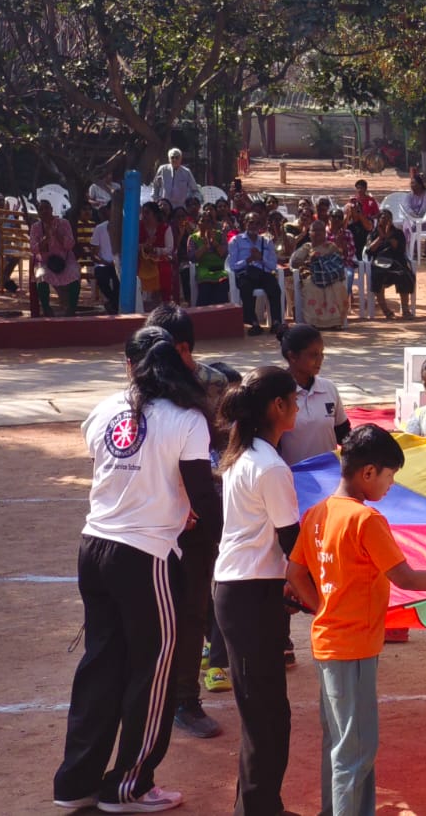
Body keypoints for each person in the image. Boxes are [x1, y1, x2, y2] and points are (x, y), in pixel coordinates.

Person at [53, 326, 221, 814]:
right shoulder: (187, 418)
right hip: (145, 555)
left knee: (100, 664)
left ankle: (76, 782)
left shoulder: (103, 410)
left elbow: (111, 471)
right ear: (180, 365)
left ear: (132, 365)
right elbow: (201, 494)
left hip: (95, 546)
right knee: (154, 670)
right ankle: (129, 784)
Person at [286, 426, 426, 816]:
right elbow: (407, 578)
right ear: (368, 472)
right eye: (390, 476)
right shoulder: (366, 520)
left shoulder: (317, 513)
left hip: (332, 640)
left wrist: (321, 606)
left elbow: (295, 572)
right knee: (354, 750)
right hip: (352, 647)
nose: (391, 485)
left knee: (341, 744)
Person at [213, 366, 301, 816]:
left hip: (247, 589)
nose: (298, 407)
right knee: (264, 714)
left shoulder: (245, 455)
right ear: (277, 407)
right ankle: (258, 809)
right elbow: (293, 543)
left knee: (267, 712)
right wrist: (317, 596)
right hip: (249, 593)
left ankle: (261, 805)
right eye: (293, 399)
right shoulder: (268, 466)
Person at [144, 306, 230, 739]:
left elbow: (230, 450)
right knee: (149, 612)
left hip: (197, 514)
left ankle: (185, 699)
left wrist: (206, 501)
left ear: (180, 349)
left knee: (193, 610)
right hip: (154, 518)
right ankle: (153, 697)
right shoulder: (143, 389)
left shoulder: (218, 386)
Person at [275, 324, 351, 467]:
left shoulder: (329, 388)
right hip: (293, 478)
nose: (320, 359)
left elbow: (344, 434)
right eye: (313, 355)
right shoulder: (276, 394)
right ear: (292, 356)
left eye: (322, 353)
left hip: (329, 474)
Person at [229, 211, 284, 336]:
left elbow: (272, 265)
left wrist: (260, 258)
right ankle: (253, 323)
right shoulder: (236, 241)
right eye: (251, 222)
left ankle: (276, 322)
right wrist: (248, 260)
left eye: (257, 223)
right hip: (245, 272)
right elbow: (232, 266)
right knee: (245, 287)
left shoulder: (266, 241)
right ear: (245, 223)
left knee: (274, 287)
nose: (254, 226)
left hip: (262, 272)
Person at [290, 221, 350, 329]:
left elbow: (338, 262)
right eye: (314, 230)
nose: (317, 233)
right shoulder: (306, 247)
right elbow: (294, 263)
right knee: (312, 288)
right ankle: (314, 323)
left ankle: (335, 322)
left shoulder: (331, 247)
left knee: (337, 287)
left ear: (324, 233)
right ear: (309, 233)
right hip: (311, 274)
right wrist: (309, 260)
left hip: (330, 276)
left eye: (320, 231)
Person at [31, 198, 82, 317]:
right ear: (38, 213)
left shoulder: (64, 223)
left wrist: (56, 234)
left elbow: (70, 245)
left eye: (46, 209)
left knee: (74, 275)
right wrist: (45, 239)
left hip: (65, 260)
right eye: (41, 210)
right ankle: (47, 309)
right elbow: (33, 248)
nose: (44, 212)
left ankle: (71, 309)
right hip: (45, 261)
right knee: (41, 276)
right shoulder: (36, 227)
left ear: (52, 210)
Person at [364, 212, 414, 320]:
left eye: (388, 218)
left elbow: (400, 248)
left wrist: (388, 237)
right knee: (377, 276)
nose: (385, 220)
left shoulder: (398, 233)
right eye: (383, 218)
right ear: (379, 220)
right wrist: (380, 238)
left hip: (396, 261)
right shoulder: (373, 234)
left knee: (403, 274)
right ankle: (386, 310)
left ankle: (405, 309)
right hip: (379, 262)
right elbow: (369, 250)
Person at [186, 211, 230, 306]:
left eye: (208, 221)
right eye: (203, 221)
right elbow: (193, 258)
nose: (206, 224)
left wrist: (214, 242)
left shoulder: (220, 235)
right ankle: (204, 315)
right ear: (198, 222)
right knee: (206, 287)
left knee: (222, 285)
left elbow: (224, 253)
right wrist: (205, 246)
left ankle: (222, 313)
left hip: (219, 268)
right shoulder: (193, 238)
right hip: (203, 267)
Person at [138, 203, 176, 309]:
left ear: (155, 214)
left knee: (164, 269)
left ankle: (163, 303)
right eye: (142, 213)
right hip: (141, 260)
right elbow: (131, 245)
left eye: (147, 213)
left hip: (159, 260)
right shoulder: (138, 226)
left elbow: (169, 249)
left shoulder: (165, 228)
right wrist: (144, 246)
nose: (143, 216)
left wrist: (154, 250)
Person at [89, 205, 119, 314]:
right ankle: (114, 303)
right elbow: (94, 254)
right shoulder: (100, 228)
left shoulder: (126, 228)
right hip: (103, 264)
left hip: (119, 265)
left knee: (119, 281)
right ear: (108, 211)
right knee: (101, 277)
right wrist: (103, 262)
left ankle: (114, 305)